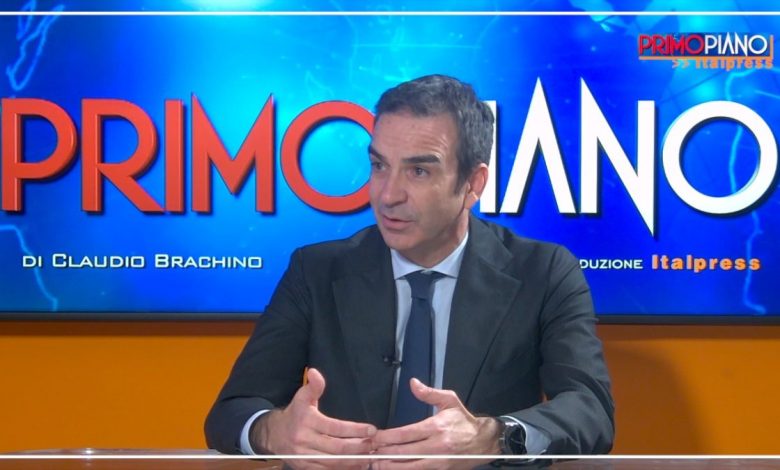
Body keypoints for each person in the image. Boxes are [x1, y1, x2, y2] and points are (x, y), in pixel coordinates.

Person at [205, 74, 614, 467]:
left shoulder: (543, 272)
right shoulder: (315, 272)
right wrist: (275, 431)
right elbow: (230, 413)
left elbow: (590, 411)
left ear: (473, 184)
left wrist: (493, 437)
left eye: (419, 171)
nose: (387, 195)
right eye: (379, 165)